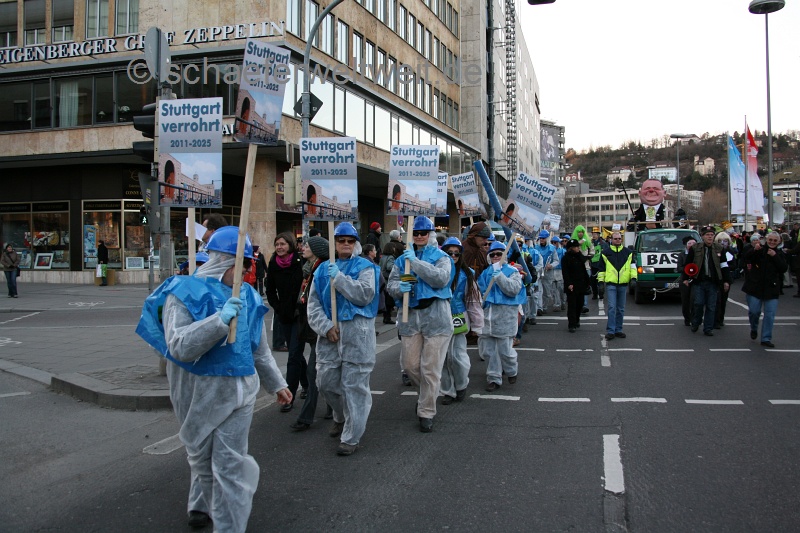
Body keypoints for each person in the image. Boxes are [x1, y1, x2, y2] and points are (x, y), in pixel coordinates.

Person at [135, 226, 291, 532]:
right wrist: (218, 322)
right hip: (197, 392)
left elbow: (259, 350)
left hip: (240, 391)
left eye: (248, 265)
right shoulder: (182, 292)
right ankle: (199, 502)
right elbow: (179, 345)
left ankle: (229, 526)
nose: (246, 272)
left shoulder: (248, 296)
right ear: (223, 261)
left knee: (229, 464)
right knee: (201, 457)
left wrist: (277, 383)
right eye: (241, 265)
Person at [307, 222, 380, 455]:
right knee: (326, 382)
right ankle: (340, 416)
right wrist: (326, 326)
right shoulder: (321, 270)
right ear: (335, 243)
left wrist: (339, 279)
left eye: (350, 241)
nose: (346, 244)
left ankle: (351, 436)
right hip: (330, 335)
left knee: (354, 387)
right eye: (341, 240)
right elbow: (313, 305)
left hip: (357, 335)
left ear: (356, 243)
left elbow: (365, 295)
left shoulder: (366, 267)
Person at [387, 216, 453, 433]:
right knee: (410, 366)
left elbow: (441, 279)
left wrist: (415, 263)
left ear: (430, 234)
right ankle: (426, 395)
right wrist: (399, 289)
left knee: (430, 369)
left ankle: (426, 411)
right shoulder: (401, 260)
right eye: (415, 233)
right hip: (410, 318)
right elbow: (391, 285)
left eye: (423, 233)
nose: (419, 236)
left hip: (437, 319)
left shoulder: (442, 257)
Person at [291, 235, 334, 431]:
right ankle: (332, 407)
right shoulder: (308, 270)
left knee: (313, 372)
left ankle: (306, 417)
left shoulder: (321, 271)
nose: (303, 248)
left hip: (320, 328)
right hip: (309, 326)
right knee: (321, 372)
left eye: (307, 246)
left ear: (317, 251)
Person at [265, 232, 307, 411]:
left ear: (290, 245)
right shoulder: (273, 264)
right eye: (277, 244)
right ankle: (307, 385)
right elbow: (269, 290)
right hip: (284, 315)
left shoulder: (300, 262)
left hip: (300, 315)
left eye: (282, 244)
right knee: (296, 354)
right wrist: (278, 307)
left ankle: (289, 396)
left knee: (293, 355)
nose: (279, 247)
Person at [439, 237, 483, 404]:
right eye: (449, 253)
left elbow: (473, 300)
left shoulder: (467, 274)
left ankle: (461, 385)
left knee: (457, 356)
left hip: (458, 316)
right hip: (439, 317)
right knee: (442, 358)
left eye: (456, 253)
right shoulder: (436, 271)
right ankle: (448, 391)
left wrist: (477, 325)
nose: (453, 256)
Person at [478, 240, 525, 391]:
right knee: (489, 352)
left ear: (505, 255)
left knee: (505, 351)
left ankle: (511, 370)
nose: (496, 256)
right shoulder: (485, 273)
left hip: (505, 318)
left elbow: (513, 290)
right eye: (493, 254)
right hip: (488, 318)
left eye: (499, 253)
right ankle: (493, 378)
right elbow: (479, 291)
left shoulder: (513, 272)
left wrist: (500, 277)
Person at [681, 226, 731, 336]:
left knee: (711, 306)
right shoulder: (695, 248)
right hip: (699, 281)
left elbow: (724, 266)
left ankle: (708, 328)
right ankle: (696, 322)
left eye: (712, 235)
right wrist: (685, 278)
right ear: (702, 236)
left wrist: (726, 281)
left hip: (713, 282)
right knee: (698, 303)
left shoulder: (719, 248)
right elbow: (688, 264)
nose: (710, 237)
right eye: (707, 235)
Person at [742, 232, 787, 348]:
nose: (772, 242)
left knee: (769, 315)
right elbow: (746, 258)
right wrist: (754, 250)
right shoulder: (759, 250)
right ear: (766, 240)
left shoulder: (780, 254)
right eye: (770, 240)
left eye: (775, 241)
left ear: (779, 242)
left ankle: (766, 338)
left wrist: (775, 256)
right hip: (754, 287)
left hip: (771, 289)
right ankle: (754, 327)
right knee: (754, 312)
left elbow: (783, 268)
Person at [597, 231, 637, 340]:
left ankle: (618, 329)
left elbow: (633, 266)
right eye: (615, 238)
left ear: (621, 239)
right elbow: (601, 269)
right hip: (611, 284)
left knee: (621, 309)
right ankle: (611, 330)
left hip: (623, 284)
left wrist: (634, 278)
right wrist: (600, 283)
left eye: (619, 238)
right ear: (611, 239)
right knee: (611, 307)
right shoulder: (605, 253)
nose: (618, 240)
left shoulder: (628, 252)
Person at [562, 239, 590, 332]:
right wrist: (568, 284)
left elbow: (584, 269)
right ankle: (571, 324)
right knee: (572, 305)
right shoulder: (565, 258)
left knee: (580, 304)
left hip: (581, 284)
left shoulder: (579, 256)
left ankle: (577, 319)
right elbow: (565, 273)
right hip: (572, 285)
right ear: (571, 248)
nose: (578, 248)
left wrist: (588, 282)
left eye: (578, 246)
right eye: (576, 247)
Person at [380, 229, 405, 324]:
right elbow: (390, 267)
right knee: (390, 300)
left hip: (384, 278)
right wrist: (396, 267)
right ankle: (388, 317)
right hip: (389, 279)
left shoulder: (383, 256)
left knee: (386, 299)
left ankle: (386, 316)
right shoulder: (392, 256)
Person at [713, 232, 735, 328]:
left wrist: (726, 267)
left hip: (726, 278)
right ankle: (715, 320)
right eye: (720, 241)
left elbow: (734, 265)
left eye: (725, 241)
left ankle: (720, 319)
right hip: (716, 278)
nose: (722, 243)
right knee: (716, 300)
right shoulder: (714, 250)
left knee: (723, 300)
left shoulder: (730, 251)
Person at [535, 230, 559, 314]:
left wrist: (551, 265)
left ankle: (544, 306)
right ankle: (539, 308)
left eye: (543, 238)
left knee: (546, 292)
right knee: (538, 290)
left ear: (547, 239)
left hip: (548, 272)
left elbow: (556, 261)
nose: (542, 240)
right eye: (540, 238)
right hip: (538, 271)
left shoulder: (552, 248)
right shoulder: (536, 248)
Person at [676, 236, 697, 326]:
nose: (691, 245)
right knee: (686, 301)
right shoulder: (682, 255)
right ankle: (687, 319)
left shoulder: (699, 254)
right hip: (685, 280)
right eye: (689, 243)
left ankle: (695, 318)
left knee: (695, 300)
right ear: (686, 245)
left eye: (694, 243)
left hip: (696, 280)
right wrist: (688, 269)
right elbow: (679, 268)